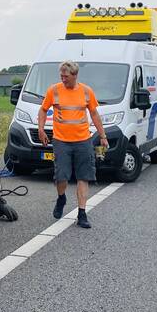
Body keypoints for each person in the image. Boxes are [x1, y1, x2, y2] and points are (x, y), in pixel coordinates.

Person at [37, 61, 109, 229]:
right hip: (61, 141)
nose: (63, 79)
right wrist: (41, 129)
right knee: (61, 176)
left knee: (84, 176)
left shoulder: (86, 91)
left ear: (75, 75)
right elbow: (43, 110)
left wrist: (103, 136)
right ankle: (61, 198)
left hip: (83, 140)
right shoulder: (53, 90)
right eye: (61, 76)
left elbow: (94, 114)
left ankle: (82, 214)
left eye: (66, 76)